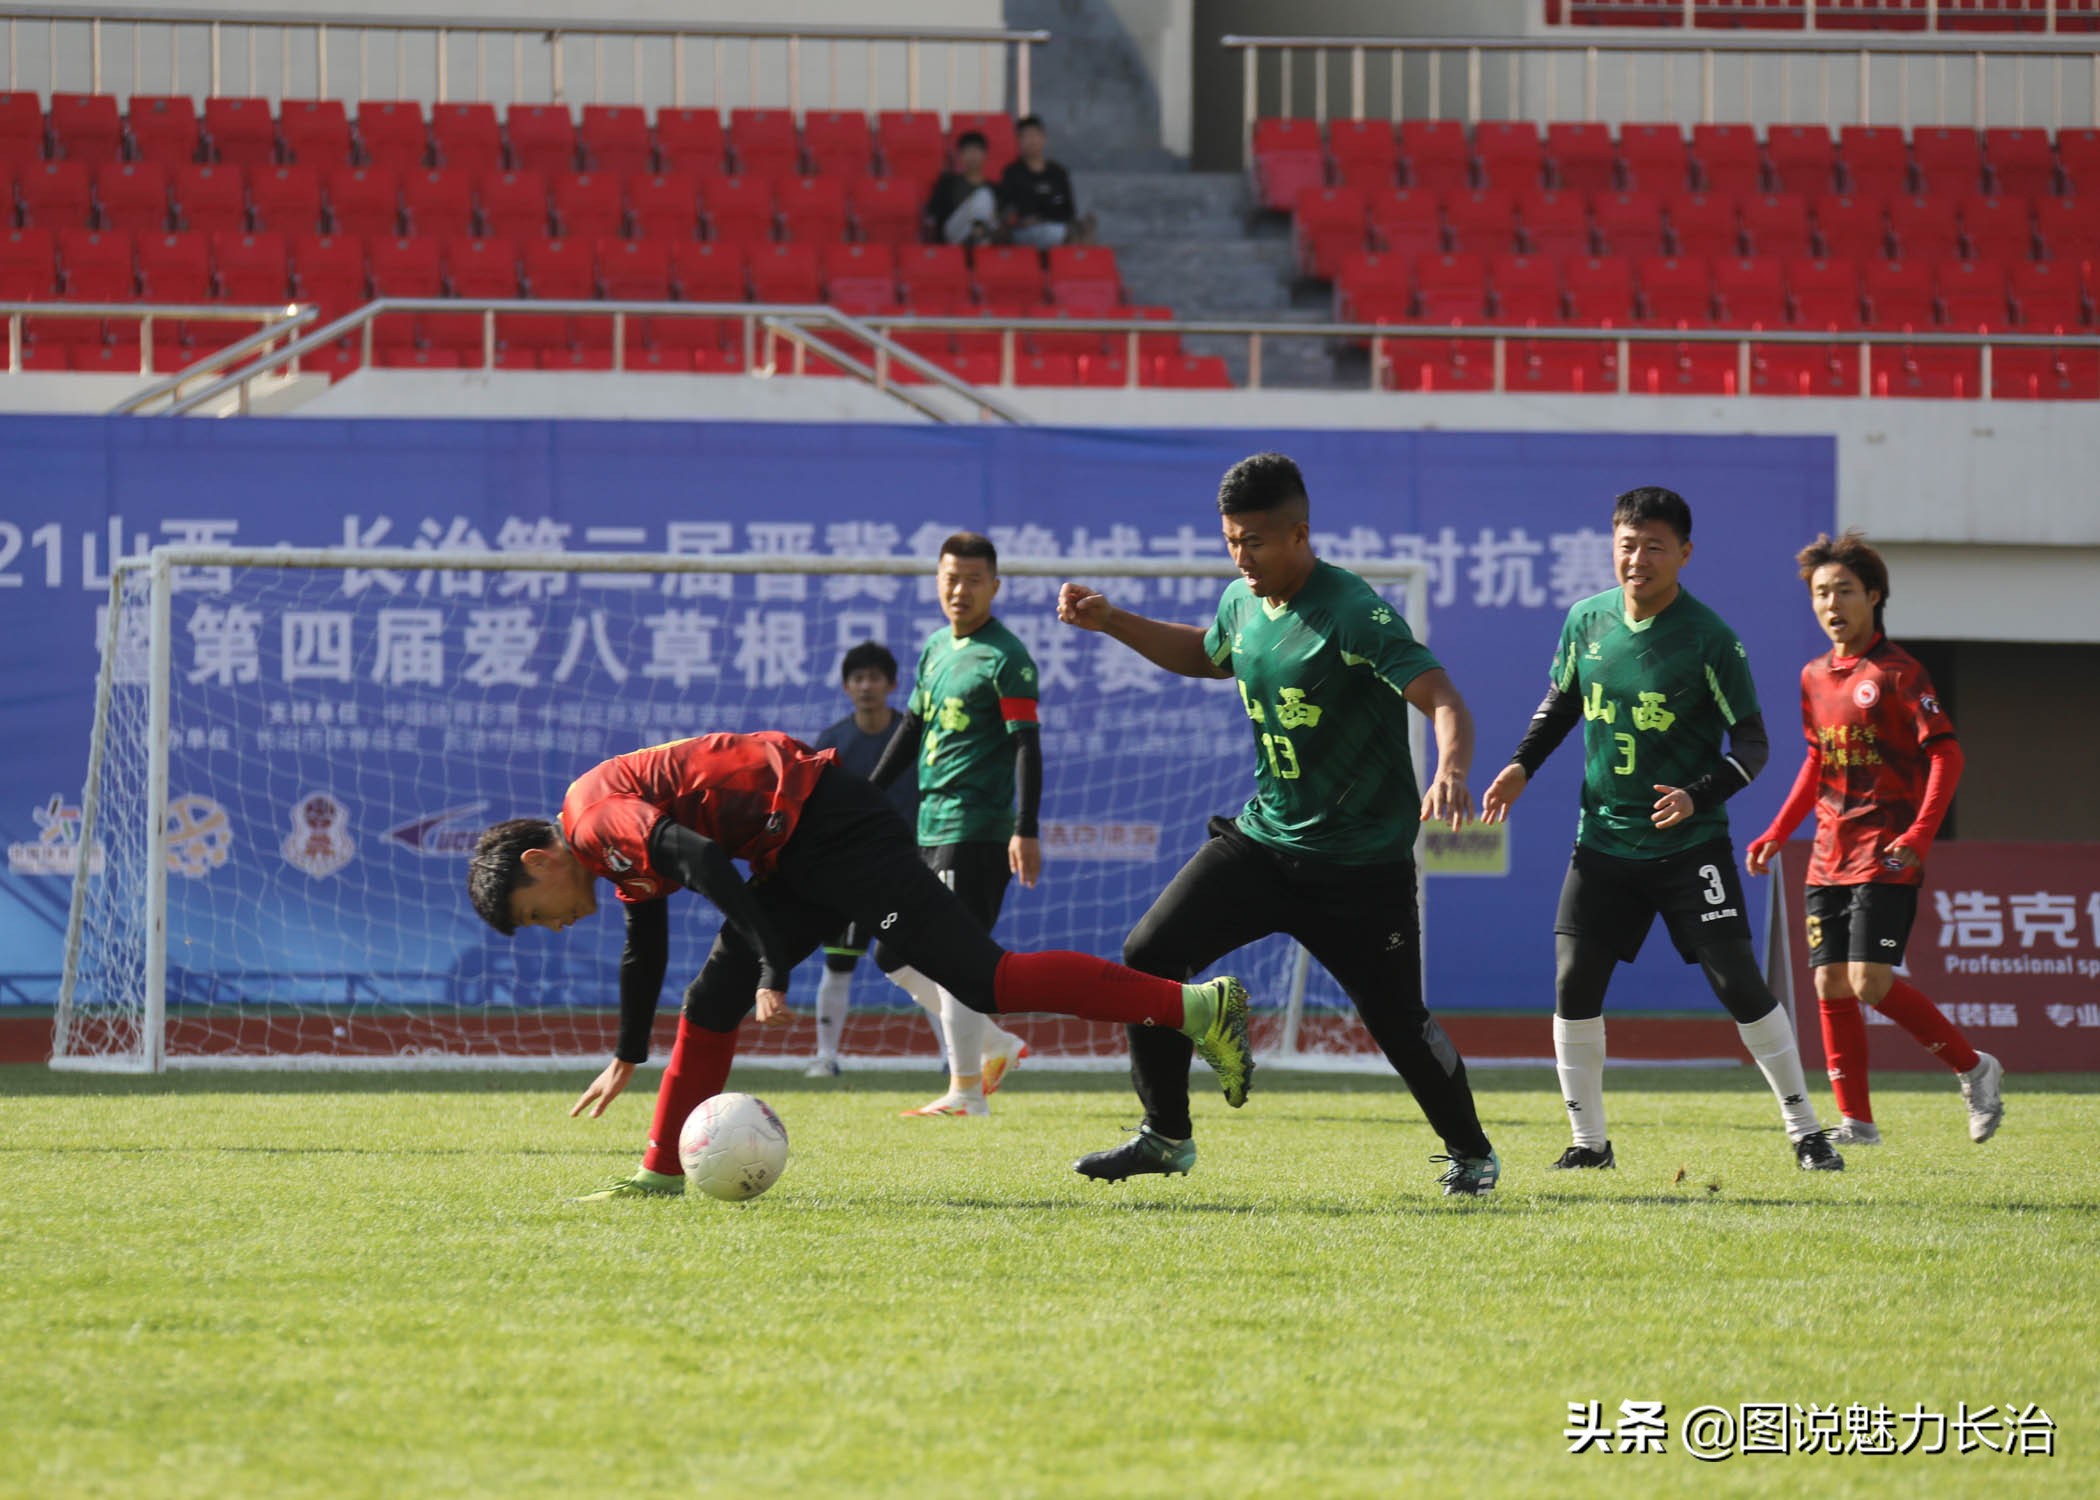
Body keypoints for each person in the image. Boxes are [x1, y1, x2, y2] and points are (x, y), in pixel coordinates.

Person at [467, 731, 1254, 1202]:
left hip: (834, 833)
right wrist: (628, 1053)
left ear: (542, 860)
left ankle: (1197, 1008)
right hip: (794, 851)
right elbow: (647, 945)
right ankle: (661, 1173)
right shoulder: (602, 845)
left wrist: (774, 958)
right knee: (712, 1000)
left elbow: (704, 858)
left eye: (538, 911)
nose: (555, 924)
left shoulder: (595, 819)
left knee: (988, 980)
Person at [1056, 452, 1502, 1197]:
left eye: (1256, 541)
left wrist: (1450, 769)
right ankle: (1166, 1135)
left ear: (1299, 533)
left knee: (1397, 1026)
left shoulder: (1353, 612)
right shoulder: (1242, 602)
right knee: (1146, 957)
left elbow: (1445, 698)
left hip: (1360, 871)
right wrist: (1111, 621)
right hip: (1264, 845)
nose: (1242, 556)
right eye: (1231, 540)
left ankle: (1473, 1154)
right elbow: (1208, 655)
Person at [1480, 485, 1844, 1173]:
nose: (1637, 558)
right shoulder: (1585, 621)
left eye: (1653, 546)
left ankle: (1806, 1130)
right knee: (1572, 980)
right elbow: (1561, 704)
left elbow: (1754, 748)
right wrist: (1521, 767)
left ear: (1684, 553)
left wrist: (1696, 794)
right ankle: (1589, 1145)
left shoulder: (1709, 638)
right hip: (1603, 841)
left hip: (1689, 844)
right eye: (1626, 544)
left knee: (1737, 980)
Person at [1745, 530, 2004, 1146]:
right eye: (1820, 593)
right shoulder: (1813, 676)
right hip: (1829, 853)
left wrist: (1920, 833)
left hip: (1887, 849)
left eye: (1844, 591)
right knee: (1828, 984)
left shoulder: (1900, 674)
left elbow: (1948, 757)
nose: (1832, 604)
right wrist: (1779, 831)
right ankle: (1857, 1122)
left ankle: (1976, 1068)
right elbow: (1817, 763)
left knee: (1869, 981)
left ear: (1875, 596)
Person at [869, 533, 1036, 1118]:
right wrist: (869, 794)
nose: (958, 590)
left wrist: (1026, 827)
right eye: (949, 578)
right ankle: (994, 1044)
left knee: (955, 958)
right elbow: (911, 730)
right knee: (892, 953)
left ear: (994, 585)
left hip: (977, 829)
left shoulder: (1005, 657)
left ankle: (967, 1093)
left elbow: (1027, 747)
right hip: (930, 826)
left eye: (971, 579)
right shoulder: (936, 647)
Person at [803, 641, 928, 1079]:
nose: (867, 686)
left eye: (875, 677)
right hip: (848, 872)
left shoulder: (914, 736)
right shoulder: (832, 742)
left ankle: (957, 1060)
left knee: (923, 962)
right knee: (838, 962)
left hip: (907, 868)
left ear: (893, 684)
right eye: (858, 678)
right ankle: (825, 1057)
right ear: (845, 686)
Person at [999, 115, 1083, 249]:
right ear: (1019, 141)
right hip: (1024, 232)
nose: (1032, 141)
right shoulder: (1012, 173)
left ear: (1043, 138)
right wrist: (1021, 221)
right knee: (1052, 234)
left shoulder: (1058, 173)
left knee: (1071, 232)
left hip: (1056, 228)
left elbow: (1069, 211)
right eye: (1026, 136)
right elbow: (1006, 210)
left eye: (1035, 135)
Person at [924, 130, 999, 246]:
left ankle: (978, 239)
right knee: (983, 196)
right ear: (961, 155)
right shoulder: (949, 183)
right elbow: (934, 213)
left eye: (977, 150)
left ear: (985, 154)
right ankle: (977, 233)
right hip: (954, 234)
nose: (973, 155)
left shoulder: (994, 188)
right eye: (968, 151)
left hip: (985, 237)